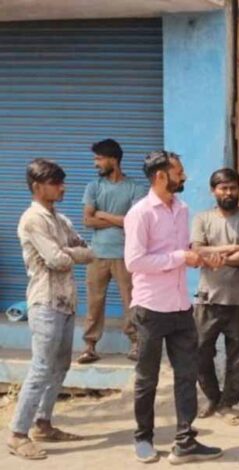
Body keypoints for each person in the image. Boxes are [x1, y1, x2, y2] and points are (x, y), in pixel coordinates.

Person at [124, 150, 223, 463]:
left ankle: (185, 441)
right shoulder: (140, 213)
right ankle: (143, 438)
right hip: (150, 308)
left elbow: (182, 250)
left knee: (186, 375)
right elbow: (134, 261)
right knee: (147, 378)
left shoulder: (182, 209)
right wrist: (181, 257)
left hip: (181, 306)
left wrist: (202, 256)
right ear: (160, 176)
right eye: (178, 172)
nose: (184, 177)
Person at [8, 159, 93, 460]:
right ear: (37, 187)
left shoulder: (60, 219)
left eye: (61, 182)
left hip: (66, 301)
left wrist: (67, 252)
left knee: (60, 365)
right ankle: (18, 434)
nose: (62, 188)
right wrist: (69, 253)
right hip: (45, 302)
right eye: (55, 183)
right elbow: (56, 260)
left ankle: (43, 424)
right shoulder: (33, 219)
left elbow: (87, 251)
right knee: (42, 367)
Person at [191, 168, 239, 425]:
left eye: (232, 188)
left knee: (237, 357)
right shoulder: (202, 219)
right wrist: (231, 248)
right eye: (223, 188)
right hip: (208, 299)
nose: (228, 193)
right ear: (213, 191)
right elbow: (196, 252)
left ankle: (228, 404)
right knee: (199, 352)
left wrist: (215, 257)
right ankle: (212, 397)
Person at [79, 139, 146, 364]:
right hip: (97, 254)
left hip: (126, 255)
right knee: (94, 302)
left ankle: (136, 343)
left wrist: (102, 214)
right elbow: (87, 220)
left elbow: (133, 222)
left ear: (113, 159)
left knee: (132, 300)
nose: (95, 163)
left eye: (99, 158)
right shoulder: (93, 186)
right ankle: (90, 346)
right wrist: (119, 220)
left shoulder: (135, 188)